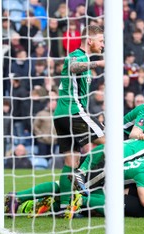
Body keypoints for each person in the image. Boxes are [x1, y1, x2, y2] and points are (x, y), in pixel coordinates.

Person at [53, 25, 105, 214]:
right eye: (101, 40)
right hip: (72, 111)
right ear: (89, 40)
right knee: (109, 143)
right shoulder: (77, 55)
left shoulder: (84, 58)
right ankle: (83, 175)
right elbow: (74, 66)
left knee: (70, 161)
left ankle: (64, 207)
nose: (103, 45)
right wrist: (98, 64)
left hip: (61, 115)